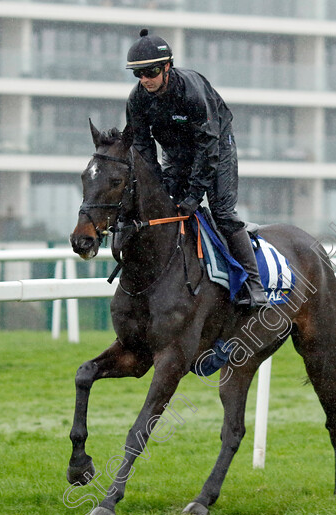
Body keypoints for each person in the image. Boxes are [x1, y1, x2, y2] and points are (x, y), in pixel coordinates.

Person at [124, 29, 268, 310]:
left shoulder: (191, 91)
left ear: (167, 67)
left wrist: (193, 194)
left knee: (222, 212)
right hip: (177, 152)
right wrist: (157, 187)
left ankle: (254, 283)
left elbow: (207, 148)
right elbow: (143, 150)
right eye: (138, 74)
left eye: (151, 71)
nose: (145, 80)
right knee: (166, 208)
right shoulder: (137, 99)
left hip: (215, 144)